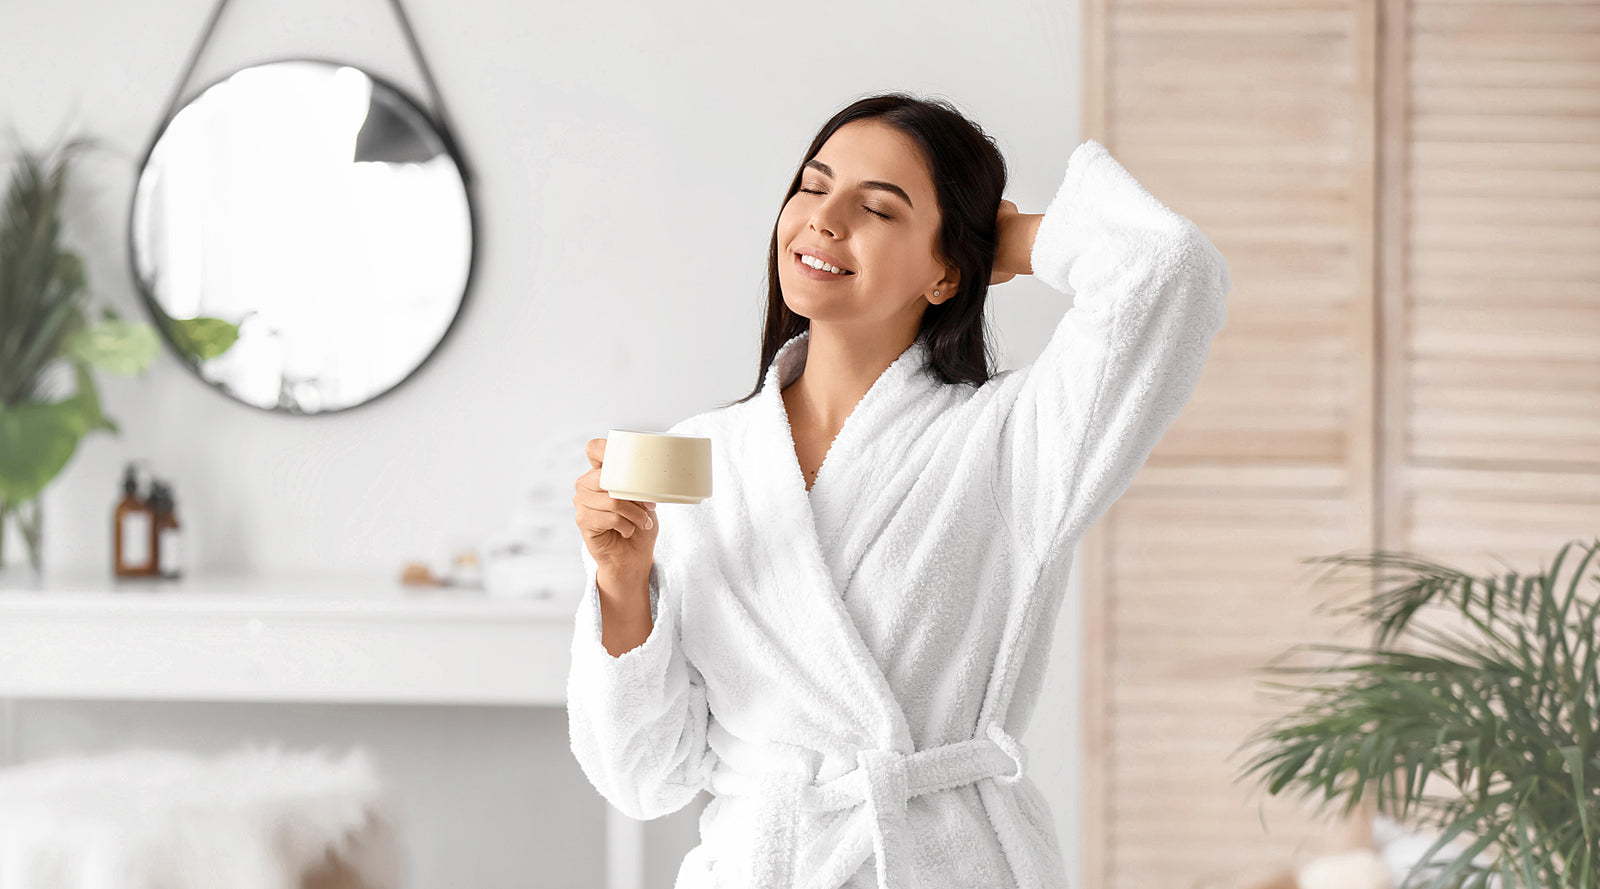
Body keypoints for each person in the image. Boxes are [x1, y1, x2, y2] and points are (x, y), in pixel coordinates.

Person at [569, 92, 1231, 889]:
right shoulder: (706, 454)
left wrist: (1011, 239)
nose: (825, 218)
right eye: (813, 187)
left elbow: (1169, 271)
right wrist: (622, 582)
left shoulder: (1012, 441)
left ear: (948, 269)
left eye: (878, 208)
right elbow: (645, 776)